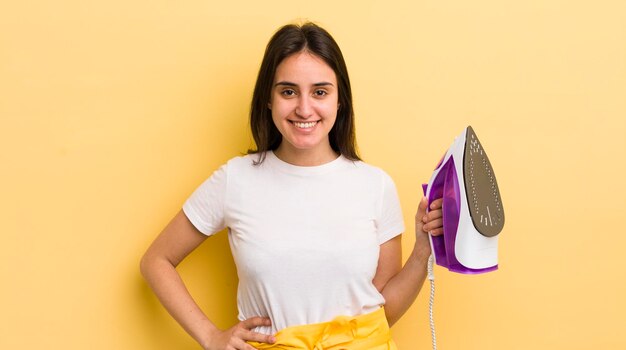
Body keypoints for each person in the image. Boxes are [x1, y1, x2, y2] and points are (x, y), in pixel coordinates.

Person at [140, 22, 444, 350]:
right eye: (288, 91)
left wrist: (422, 250)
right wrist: (211, 336)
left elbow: (383, 312)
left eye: (320, 91)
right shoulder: (236, 179)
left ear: (339, 100)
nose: (304, 108)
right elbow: (156, 260)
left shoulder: (375, 185)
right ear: (268, 99)